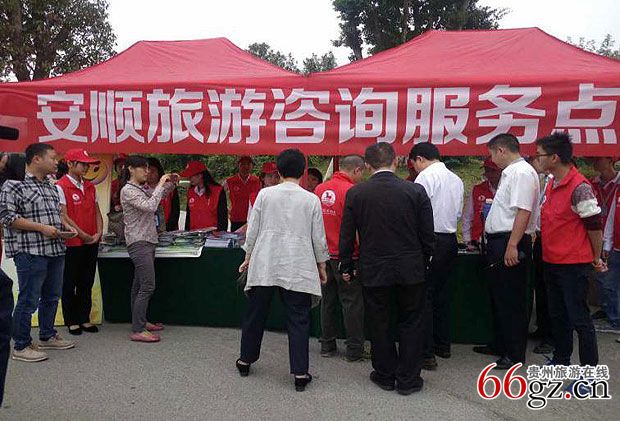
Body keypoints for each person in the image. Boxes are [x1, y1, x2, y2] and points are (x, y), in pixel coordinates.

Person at [340, 143, 434, 395]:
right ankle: (408, 378)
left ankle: (384, 374)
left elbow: (347, 235)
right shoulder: (415, 190)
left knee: (379, 322)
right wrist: (425, 260)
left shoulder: (357, 193)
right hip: (411, 268)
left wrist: (346, 264)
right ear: (396, 161)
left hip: (374, 268)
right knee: (412, 322)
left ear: (367, 165)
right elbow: (427, 234)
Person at [236, 149, 329, 392]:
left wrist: (248, 256)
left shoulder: (265, 195)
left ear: (278, 171)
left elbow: (253, 230)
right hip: (297, 263)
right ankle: (300, 373)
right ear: (303, 171)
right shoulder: (311, 199)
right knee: (298, 318)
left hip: (266, 261)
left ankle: (245, 360)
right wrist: (321, 264)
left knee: (255, 314)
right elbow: (318, 237)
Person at [0, 144, 77, 363]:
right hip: (30, 250)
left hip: (55, 248)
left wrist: (66, 227)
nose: (56, 162)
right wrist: (42, 228)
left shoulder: (51, 184)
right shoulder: (13, 184)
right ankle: (21, 345)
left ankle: (47, 334)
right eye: (52, 158)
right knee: (29, 298)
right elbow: (7, 218)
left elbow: (56, 214)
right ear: (36, 159)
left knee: (52, 296)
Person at [537, 132, 604, 378]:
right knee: (558, 315)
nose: (537, 159)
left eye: (540, 155)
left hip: (574, 264)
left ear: (554, 157)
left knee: (579, 319)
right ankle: (561, 360)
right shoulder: (552, 183)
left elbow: (594, 226)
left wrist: (596, 257)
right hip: (552, 261)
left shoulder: (580, 188)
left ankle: (589, 373)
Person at [474, 133, 539, 370]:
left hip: (510, 240)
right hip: (499, 239)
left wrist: (512, 244)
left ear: (501, 150)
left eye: (492, 154)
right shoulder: (512, 172)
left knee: (511, 299)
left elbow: (523, 210)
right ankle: (501, 343)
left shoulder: (521, 172)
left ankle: (514, 353)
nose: (492, 159)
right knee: (499, 296)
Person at [410, 142, 464, 370]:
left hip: (430, 240)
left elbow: (417, 213)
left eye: (414, 164)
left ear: (420, 159)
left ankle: (426, 353)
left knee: (424, 297)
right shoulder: (456, 179)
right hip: (449, 240)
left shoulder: (425, 177)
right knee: (442, 294)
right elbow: (458, 213)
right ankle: (443, 345)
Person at [314, 155, 366, 361]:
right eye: (362, 173)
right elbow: (357, 228)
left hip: (323, 255)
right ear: (356, 170)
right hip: (347, 256)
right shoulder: (352, 191)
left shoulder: (319, 189)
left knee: (327, 301)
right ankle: (354, 349)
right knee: (352, 303)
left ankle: (327, 345)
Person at [120, 155, 176, 342]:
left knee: (138, 285)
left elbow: (158, 196)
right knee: (147, 286)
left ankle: (141, 321)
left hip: (148, 240)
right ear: (131, 169)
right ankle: (138, 329)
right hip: (139, 241)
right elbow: (150, 206)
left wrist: (170, 183)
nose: (147, 172)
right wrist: (160, 184)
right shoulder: (128, 190)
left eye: (149, 168)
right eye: (143, 168)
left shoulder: (140, 188)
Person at [56, 149, 103, 336]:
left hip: (92, 240)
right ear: (70, 164)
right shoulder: (61, 186)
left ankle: (84, 317)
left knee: (86, 281)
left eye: (87, 164)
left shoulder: (90, 186)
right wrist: (82, 235)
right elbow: (63, 215)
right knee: (70, 281)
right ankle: (71, 320)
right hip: (73, 242)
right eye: (82, 163)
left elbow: (97, 211)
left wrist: (99, 232)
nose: (86, 167)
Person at [527, 155, 554, 355]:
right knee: (541, 289)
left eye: (535, 158)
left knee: (552, 291)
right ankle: (543, 328)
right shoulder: (536, 180)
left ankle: (552, 337)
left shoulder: (554, 181)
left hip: (553, 241)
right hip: (539, 238)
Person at [589, 157, 620, 328]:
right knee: (600, 276)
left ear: (610, 160)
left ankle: (615, 317)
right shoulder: (592, 184)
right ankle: (606, 307)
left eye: (598, 159)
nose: (593, 162)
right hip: (597, 235)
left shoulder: (617, 185)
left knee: (611, 279)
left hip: (614, 238)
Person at [462, 158, 501, 248]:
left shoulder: (507, 189)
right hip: (478, 240)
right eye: (487, 170)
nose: (489, 174)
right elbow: (467, 216)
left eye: (493, 170)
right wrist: (467, 239)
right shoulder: (477, 189)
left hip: (500, 239)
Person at [180, 160, 227, 232]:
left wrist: (221, 235)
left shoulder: (218, 191)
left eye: (191, 176)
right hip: (194, 235)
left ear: (200, 175)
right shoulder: (190, 191)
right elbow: (188, 216)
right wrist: (187, 233)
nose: (189, 178)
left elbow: (223, 218)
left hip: (212, 236)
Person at [602, 161, 620, 334]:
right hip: (617, 248)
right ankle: (614, 317)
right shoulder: (618, 191)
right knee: (610, 284)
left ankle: (615, 320)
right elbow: (611, 218)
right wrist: (607, 243)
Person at [224, 156, 260, 231]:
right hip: (236, 219)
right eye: (243, 164)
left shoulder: (257, 181)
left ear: (252, 166)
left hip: (252, 218)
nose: (245, 167)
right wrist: (226, 209)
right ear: (238, 165)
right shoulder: (230, 181)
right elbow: (219, 196)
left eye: (248, 164)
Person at [146, 157, 180, 232]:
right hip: (148, 229)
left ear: (159, 172)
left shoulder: (169, 187)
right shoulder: (141, 188)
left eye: (153, 171)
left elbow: (175, 210)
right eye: (147, 171)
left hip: (169, 228)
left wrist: (169, 227)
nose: (149, 174)